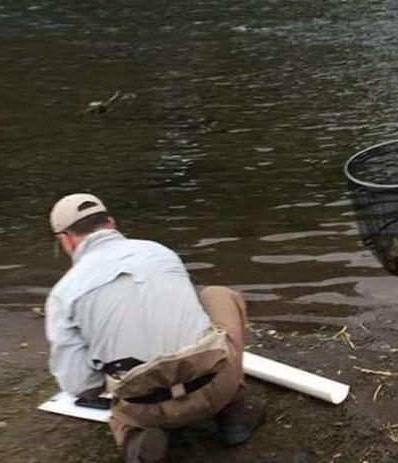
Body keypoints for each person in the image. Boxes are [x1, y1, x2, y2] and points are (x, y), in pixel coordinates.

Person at [45, 193, 265, 462]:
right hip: (212, 389)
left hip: (147, 409)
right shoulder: (159, 251)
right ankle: (234, 413)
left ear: (66, 240)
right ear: (111, 223)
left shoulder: (63, 294)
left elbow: (80, 385)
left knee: (121, 408)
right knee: (219, 295)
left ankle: (134, 440)